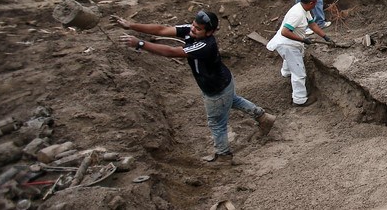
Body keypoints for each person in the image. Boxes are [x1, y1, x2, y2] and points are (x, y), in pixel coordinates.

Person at [112, 10, 276, 164]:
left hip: (216, 88)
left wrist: (140, 43)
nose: (193, 29)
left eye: (198, 28)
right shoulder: (192, 30)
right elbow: (162, 30)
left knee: (217, 123)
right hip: (224, 80)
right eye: (193, 25)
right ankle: (263, 117)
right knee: (232, 100)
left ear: (210, 32)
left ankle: (223, 156)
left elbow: (171, 52)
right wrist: (131, 25)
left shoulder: (205, 45)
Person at [266, 0, 335, 106]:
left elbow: (312, 25)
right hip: (287, 44)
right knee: (299, 73)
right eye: (316, 3)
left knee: (290, 60)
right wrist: (303, 40)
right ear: (311, 3)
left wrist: (325, 37)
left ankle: (286, 73)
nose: (316, 5)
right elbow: (285, 32)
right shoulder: (297, 14)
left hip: (289, 43)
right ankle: (299, 100)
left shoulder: (304, 9)